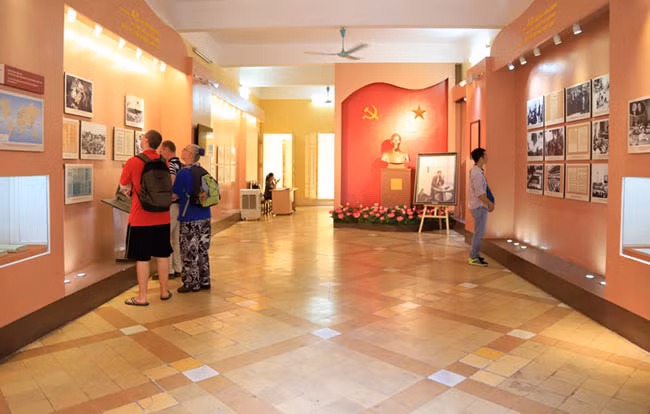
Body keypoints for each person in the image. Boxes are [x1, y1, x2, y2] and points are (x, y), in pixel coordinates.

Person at [119, 130, 173, 305]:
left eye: (143, 137)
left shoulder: (134, 161)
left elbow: (123, 185)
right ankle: (164, 291)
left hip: (140, 216)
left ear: (147, 140)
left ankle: (142, 296)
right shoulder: (164, 162)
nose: (141, 139)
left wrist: (131, 192)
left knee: (142, 258)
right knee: (162, 255)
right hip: (163, 216)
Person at [173, 145, 212, 292]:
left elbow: (175, 194)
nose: (182, 151)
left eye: (185, 149)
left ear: (190, 155)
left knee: (189, 251)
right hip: (205, 216)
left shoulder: (183, 173)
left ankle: (191, 282)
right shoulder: (203, 171)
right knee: (203, 249)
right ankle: (205, 280)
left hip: (189, 216)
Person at [159, 140, 183, 280]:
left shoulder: (170, 164)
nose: (160, 153)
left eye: (162, 150)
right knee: (176, 238)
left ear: (167, 150)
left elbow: (171, 179)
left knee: (165, 238)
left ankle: (168, 269)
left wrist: (165, 193)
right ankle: (178, 267)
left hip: (171, 205)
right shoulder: (181, 164)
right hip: (180, 206)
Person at [468, 148, 494, 267]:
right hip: (479, 207)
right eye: (485, 156)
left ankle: (475, 255)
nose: (487, 158)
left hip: (479, 206)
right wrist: (490, 204)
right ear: (480, 158)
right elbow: (480, 194)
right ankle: (473, 257)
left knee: (479, 232)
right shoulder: (476, 173)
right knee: (479, 233)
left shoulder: (477, 171)